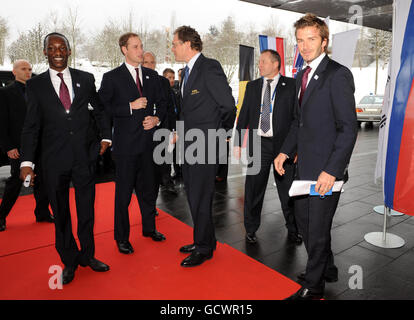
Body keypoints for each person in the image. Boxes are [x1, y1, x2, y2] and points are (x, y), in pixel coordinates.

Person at [274, 14, 358, 300]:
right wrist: (285, 151)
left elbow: (348, 129)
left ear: (324, 41)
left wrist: (332, 170)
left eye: (311, 39)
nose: (305, 45)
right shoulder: (300, 76)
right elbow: (298, 123)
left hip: (326, 172)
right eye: (300, 40)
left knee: (317, 228)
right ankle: (327, 267)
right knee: (305, 222)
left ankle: (314, 285)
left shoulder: (338, 74)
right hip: (303, 169)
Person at [20, 33, 112, 285]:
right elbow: (31, 126)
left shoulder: (86, 78)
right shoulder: (35, 85)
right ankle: (69, 260)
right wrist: (27, 162)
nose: (57, 52)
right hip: (53, 160)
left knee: (86, 211)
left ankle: (88, 255)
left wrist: (106, 137)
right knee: (60, 213)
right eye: (52, 48)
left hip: (84, 157)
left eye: (62, 47)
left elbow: (100, 109)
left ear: (69, 51)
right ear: (45, 53)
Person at [171, 25, 236, 267]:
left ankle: (204, 248)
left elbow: (228, 106)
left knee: (200, 196)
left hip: (206, 144)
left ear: (188, 44)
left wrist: (223, 133)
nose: (173, 48)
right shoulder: (185, 72)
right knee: (194, 195)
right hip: (189, 144)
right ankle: (205, 239)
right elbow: (189, 110)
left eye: (175, 43)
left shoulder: (209, 67)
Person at [99, 33, 167, 256]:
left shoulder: (151, 76)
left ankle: (149, 229)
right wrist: (130, 106)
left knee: (149, 192)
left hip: (149, 145)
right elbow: (102, 108)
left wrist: (156, 119)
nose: (140, 51)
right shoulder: (112, 77)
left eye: (141, 46)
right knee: (124, 196)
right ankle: (122, 238)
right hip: (126, 148)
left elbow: (163, 104)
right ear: (124, 49)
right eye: (135, 47)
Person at [234, 49, 301, 245]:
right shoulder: (253, 86)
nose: (260, 65)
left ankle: (293, 229)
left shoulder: (291, 85)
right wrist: (238, 142)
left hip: (284, 146)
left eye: (263, 62)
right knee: (253, 189)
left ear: (275, 64)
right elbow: (243, 114)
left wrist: (294, 149)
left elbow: (298, 119)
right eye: (260, 62)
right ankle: (251, 229)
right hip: (258, 144)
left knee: (287, 190)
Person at [0, 60, 53, 232]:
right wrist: (8, 146)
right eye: (23, 69)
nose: (28, 72)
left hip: (41, 143)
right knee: (16, 181)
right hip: (19, 146)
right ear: (14, 72)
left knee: (43, 179)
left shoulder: (38, 91)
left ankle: (42, 213)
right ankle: (1, 216)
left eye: (30, 69)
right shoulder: (4, 93)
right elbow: (2, 123)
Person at [142, 52, 177, 195]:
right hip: (144, 130)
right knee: (147, 167)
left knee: (164, 159)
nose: (150, 65)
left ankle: (166, 182)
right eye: (146, 62)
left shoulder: (162, 81)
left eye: (152, 62)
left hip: (163, 128)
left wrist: (173, 128)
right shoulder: (137, 80)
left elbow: (169, 106)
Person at [163, 67, 182, 179]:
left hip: (175, 125)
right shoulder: (161, 92)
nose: (171, 80)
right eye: (169, 77)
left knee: (175, 150)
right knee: (167, 151)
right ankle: (165, 176)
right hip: (166, 126)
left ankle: (177, 171)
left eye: (173, 78)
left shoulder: (174, 92)